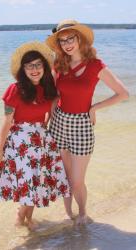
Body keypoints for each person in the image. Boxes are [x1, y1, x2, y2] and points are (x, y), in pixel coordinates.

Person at [45, 19, 129, 225]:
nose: (66, 43)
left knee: (77, 180)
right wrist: (45, 121)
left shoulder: (96, 66)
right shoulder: (59, 64)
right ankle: (68, 214)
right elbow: (54, 96)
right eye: (62, 40)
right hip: (58, 124)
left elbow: (123, 94)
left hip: (82, 125)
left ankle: (83, 213)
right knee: (64, 176)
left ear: (80, 38)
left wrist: (94, 108)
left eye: (70, 38)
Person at [0, 41, 70, 230]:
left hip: (41, 141)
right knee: (28, 184)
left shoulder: (48, 90)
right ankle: (19, 220)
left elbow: (51, 112)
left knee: (37, 182)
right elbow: (6, 122)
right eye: (29, 66)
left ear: (44, 67)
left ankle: (27, 220)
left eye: (38, 65)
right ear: (23, 69)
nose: (34, 69)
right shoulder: (15, 89)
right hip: (20, 144)